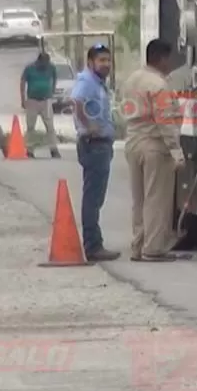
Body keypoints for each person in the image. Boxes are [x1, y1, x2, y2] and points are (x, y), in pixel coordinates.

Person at [122, 39, 191, 262]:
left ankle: (138, 246)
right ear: (161, 58)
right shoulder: (159, 85)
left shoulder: (131, 80)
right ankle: (153, 249)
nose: (170, 63)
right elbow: (165, 120)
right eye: (168, 59)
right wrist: (176, 151)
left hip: (133, 141)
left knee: (139, 199)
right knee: (156, 199)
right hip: (154, 143)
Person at [71, 44, 120, 261]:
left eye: (108, 60)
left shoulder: (97, 83)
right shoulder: (87, 80)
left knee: (96, 197)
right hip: (94, 144)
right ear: (91, 62)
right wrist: (88, 124)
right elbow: (77, 101)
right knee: (92, 197)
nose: (106, 64)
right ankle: (93, 246)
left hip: (101, 144)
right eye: (101, 60)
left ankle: (94, 243)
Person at [20, 52, 61, 159]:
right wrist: (23, 99)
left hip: (46, 100)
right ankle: (29, 150)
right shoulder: (29, 68)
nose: (45, 65)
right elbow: (23, 82)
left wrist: (52, 91)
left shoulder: (51, 67)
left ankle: (54, 149)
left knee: (50, 126)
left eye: (47, 63)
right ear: (38, 61)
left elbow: (55, 77)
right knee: (30, 127)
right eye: (44, 63)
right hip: (32, 100)